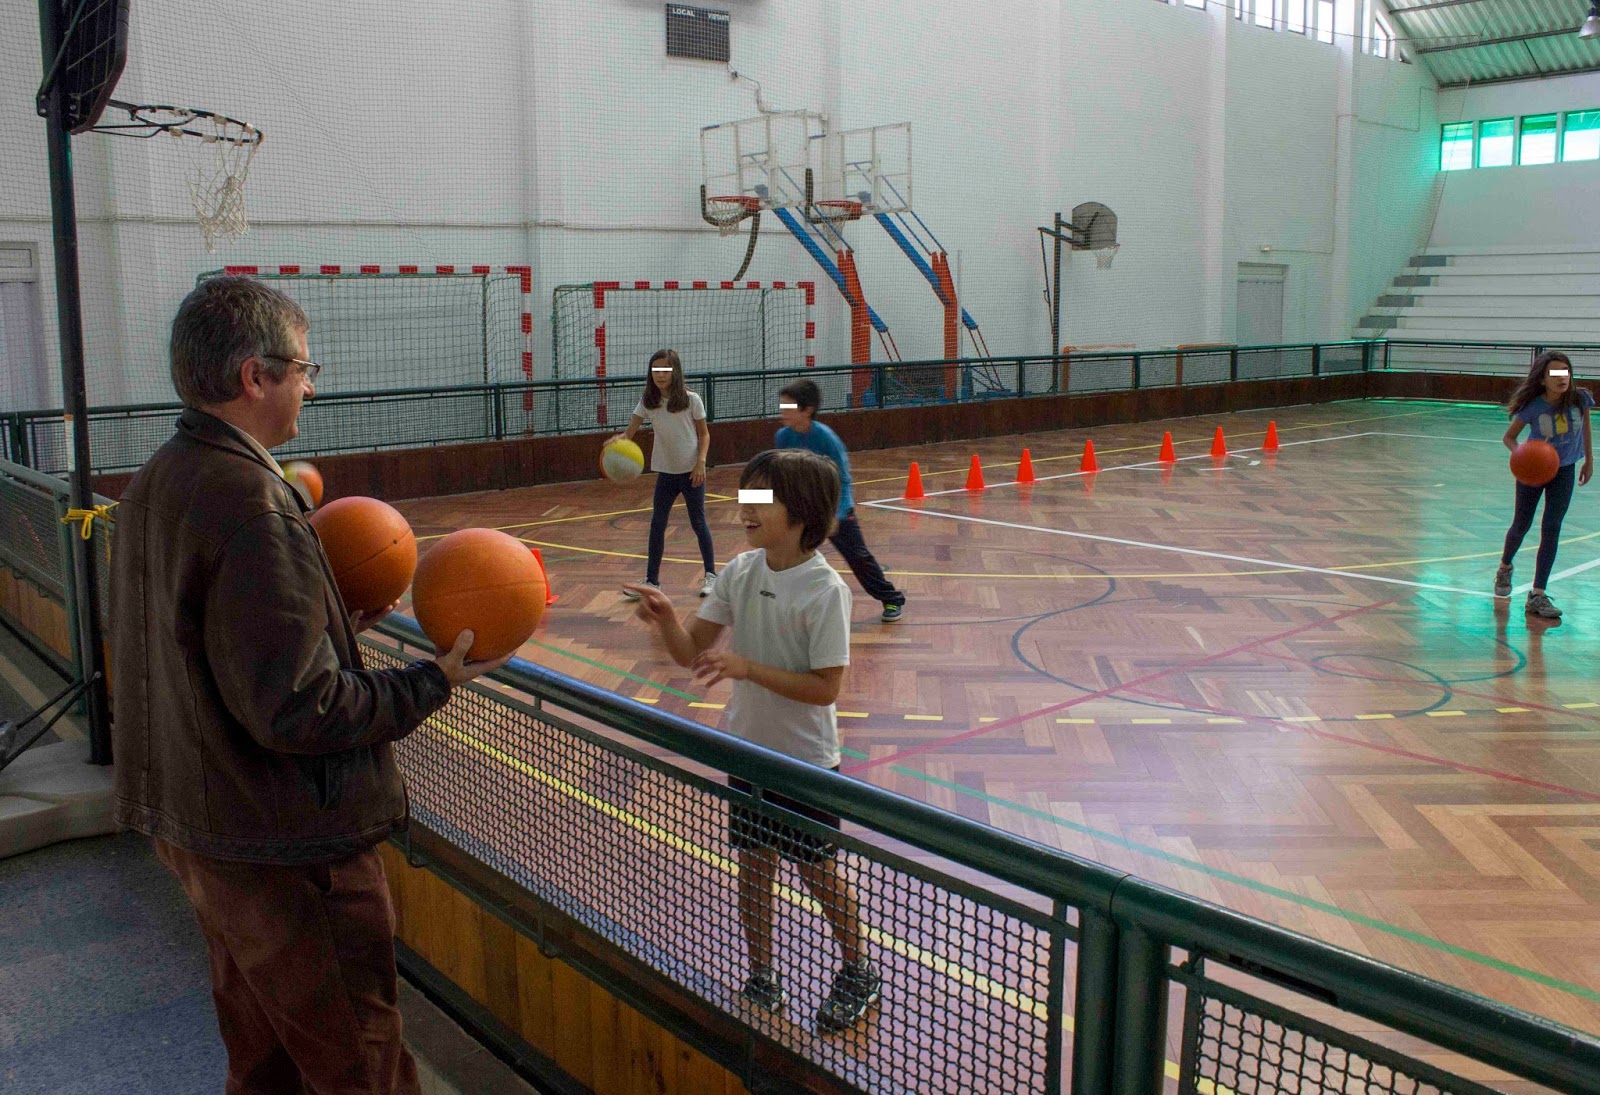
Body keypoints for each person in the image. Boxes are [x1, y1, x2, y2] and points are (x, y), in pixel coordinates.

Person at [110, 276, 511, 1095]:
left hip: (200, 821)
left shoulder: (160, 475)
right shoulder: (254, 504)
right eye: (302, 369)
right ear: (255, 376)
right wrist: (431, 680)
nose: (310, 386)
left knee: (264, 1059)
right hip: (283, 846)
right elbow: (300, 708)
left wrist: (328, 626)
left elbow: (203, 641)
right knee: (360, 1064)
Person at [625, 448, 881, 1034]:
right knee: (755, 867)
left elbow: (825, 688)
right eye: (746, 494)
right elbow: (691, 653)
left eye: (761, 498)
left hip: (804, 763)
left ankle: (858, 969)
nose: (745, 507)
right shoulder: (740, 571)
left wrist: (746, 669)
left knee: (818, 872)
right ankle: (762, 975)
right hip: (748, 752)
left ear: (801, 512)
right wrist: (667, 619)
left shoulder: (825, 590)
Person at [774, 379, 907, 622]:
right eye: (781, 405)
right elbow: (781, 476)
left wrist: (836, 515)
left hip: (833, 507)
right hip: (803, 507)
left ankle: (891, 598)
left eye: (788, 407)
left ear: (807, 410)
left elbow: (843, 480)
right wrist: (756, 497)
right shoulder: (783, 437)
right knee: (787, 554)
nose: (782, 411)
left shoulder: (826, 439)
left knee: (858, 557)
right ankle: (787, 604)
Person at [1495, 349, 1594, 618]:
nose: (1562, 378)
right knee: (1521, 524)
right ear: (1542, 379)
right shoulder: (1533, 406)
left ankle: (1537, 595)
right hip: (1534, 471)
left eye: (1565, 372)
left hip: (1564, 470)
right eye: (1555, 373)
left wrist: (1589, 460)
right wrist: (1522, 455)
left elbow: (1586, 428)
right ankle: (1505, 566)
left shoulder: (1580, 398)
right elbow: (1509, 437)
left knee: (1552, 527)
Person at [613, 349, 718, 600]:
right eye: (655, 370)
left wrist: (701, 463)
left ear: (675, 372)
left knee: (698, 523)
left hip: (692, 473)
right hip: (666, 473)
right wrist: (618, 442)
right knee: (657, 524)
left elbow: (704, 434)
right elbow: (630, 432)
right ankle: (652, 581)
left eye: (665, 370)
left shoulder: (691, 399)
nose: (660, 375)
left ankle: (712, 575)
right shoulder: (648, 401)